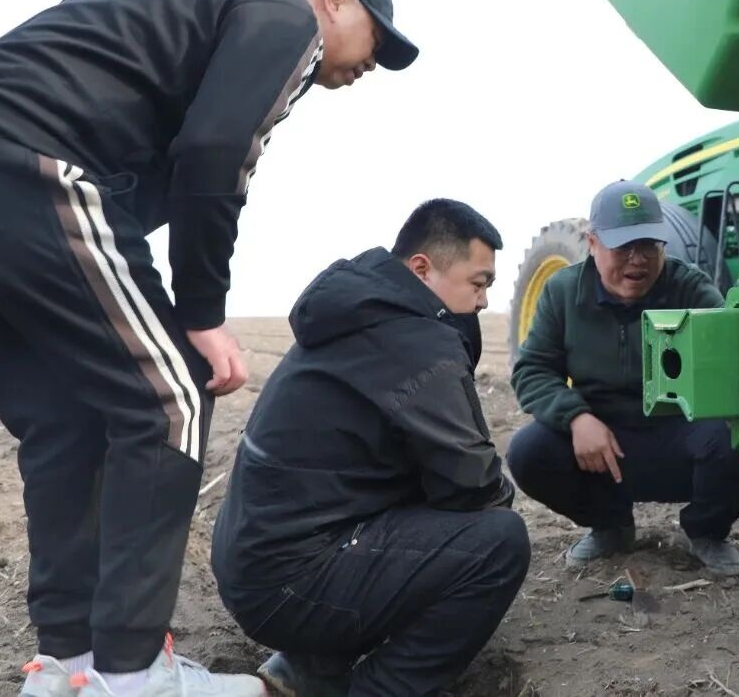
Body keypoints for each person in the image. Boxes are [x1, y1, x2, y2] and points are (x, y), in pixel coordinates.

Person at [0, 0, 418, 696]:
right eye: (377, 39)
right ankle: (134, 673)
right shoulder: (283, 18)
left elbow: (154, 163)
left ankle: (68, 668)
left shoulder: (194, 10)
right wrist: (200, 313)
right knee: (169, 401)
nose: (373, 64)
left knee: (64, 420)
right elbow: (215, 154)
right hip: (28, 158)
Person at [210, 199, 529, 697]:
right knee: (498, 544)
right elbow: (475, 484)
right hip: (288, 583)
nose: (484, 301)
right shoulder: (417, 339)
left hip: (254, 567)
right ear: (422, 269)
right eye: (478, 283)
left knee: (425, 503)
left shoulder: (359, 313)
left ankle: (311, 666)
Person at [508, 180, 739, 576]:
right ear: (593, 243)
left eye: (648, 246)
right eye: (623, 247)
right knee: (528, 452)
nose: (637, 260)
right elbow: (532, 370)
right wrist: (576, 418)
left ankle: (706, 532)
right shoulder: (562, 292)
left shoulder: (689, 287)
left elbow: (736, 359)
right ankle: (610, 526)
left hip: (680, 438)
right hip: (602, 447)